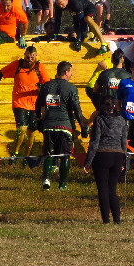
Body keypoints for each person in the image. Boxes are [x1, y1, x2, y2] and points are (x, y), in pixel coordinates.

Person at [0, 46, 51, 157]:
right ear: (24, 55)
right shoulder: (17, 65)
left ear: (36, 57)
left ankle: (27, 156)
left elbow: (48, 85)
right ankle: (16, 152)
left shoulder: (40, 67)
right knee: (22, 129)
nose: (29, 59)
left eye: (32, 57)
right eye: (28, 57)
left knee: (31, 131)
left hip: (34, 104)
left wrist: (42, 88)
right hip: (19, 102)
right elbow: (1, 73)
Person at [35, 61, 88, 190]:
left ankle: (46, 180)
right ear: (66, 72)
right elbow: (77, 110)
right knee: (65, 155)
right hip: (65, 126)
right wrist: (83, 127)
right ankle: (62, 184)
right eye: (70, 72)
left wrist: (39, 120)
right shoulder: (71, 88)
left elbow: (37, 106)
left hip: (48, 125)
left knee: (48, 153)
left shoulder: (46, 86)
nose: (71, 74)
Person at [84, 97, 128, 224]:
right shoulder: (121, 120)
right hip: (117, 155)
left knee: (103, 189)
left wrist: (88, 161)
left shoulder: (99, 119)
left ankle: (106, 219)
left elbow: (95, 142)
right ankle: (117, 219)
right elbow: (123, 141)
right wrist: (124, 161)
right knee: (112, 189)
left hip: (102, 154)